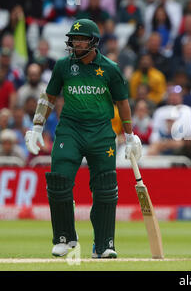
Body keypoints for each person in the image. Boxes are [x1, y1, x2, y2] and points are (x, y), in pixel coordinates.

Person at [24, 19, 142, 259]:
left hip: (101, 131)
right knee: (58, 180)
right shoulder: (63, 66)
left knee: (106, 188)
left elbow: (123, 103)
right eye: (74, 39)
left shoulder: (110, 68)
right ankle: (65, 238)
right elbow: (49, 97)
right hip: (70, 129)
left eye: (81, 39)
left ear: (93, 42)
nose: (76, 43)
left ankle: (104, 244)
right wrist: (37, 126)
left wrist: (129, 136)